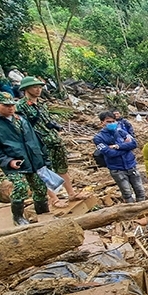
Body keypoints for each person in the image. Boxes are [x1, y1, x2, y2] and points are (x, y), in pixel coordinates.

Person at [17, 76, 87, 208]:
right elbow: (22, 127)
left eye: (39, 87)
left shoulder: (41, 104)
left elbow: (47, 121)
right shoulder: (21, 106)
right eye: (35, 87)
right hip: (40, 143)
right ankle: (54, 199)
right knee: (45, 172)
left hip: (54, 140)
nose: (38, 90)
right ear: (26, 88)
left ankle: (71, 194)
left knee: (62, 167)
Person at [0, 92, 50, 224]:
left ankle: (43, 213)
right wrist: (7, 161)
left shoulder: (21, 118)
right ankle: (18, 217)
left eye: (12, 105)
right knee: (20, 186)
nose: (11, 108)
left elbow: (35, 139)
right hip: (13, 160)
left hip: (33, 159)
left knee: (40, 187)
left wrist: (44, 158)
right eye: (6, 106)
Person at [94, 111, 145, 203]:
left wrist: (117, 147)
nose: (111, 124)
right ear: (102, 123)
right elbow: (109, 153)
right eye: (108, 122)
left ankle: (145, 212)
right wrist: (126, 148)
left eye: (113, 121)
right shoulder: (99, 138)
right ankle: (132, 213)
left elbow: (134, 144)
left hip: (131, 166)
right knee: (127, 193)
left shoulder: (121, 132)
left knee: (140, 191)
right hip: (117, 169)